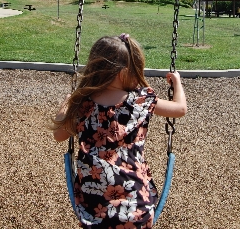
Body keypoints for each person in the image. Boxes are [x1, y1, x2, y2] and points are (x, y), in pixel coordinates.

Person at [52, 34, 187, 229]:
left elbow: (59, 135)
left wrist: (65, 107)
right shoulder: (142, 100)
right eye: (136, 69)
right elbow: (180, 109)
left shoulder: (83, 104)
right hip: (138, 206)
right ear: (123, 73)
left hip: (94, 210)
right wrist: (177, 83)